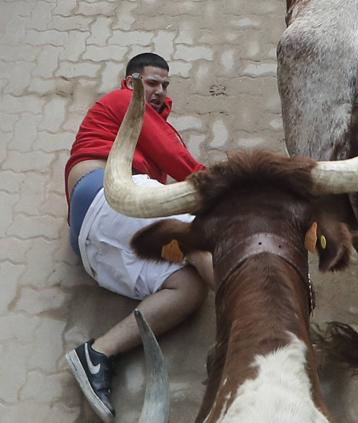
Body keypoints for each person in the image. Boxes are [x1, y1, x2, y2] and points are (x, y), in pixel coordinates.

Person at [63, 53, 214, 422]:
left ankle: (98, 354)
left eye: (165, 85)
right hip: (104, 193)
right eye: (152, 83)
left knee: (188, 288)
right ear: (131, 82)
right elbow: (179, 161)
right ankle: (261, 326)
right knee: (203, 240)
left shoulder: (148, 125)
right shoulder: (123, 102)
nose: (160, 91)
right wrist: (231, 190)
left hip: (91, 241)